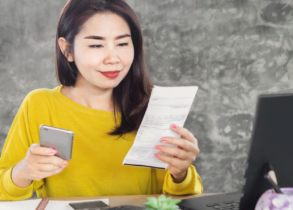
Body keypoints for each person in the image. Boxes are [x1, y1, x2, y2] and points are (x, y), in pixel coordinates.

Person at [0, 0, 203, 200]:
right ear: (67, 50)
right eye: (96, 45)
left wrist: (181, 173)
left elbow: (180, 199)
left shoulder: (152, 107)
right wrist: (23, 171)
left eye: (122, 43)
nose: (113, 58)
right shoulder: (40, 104)